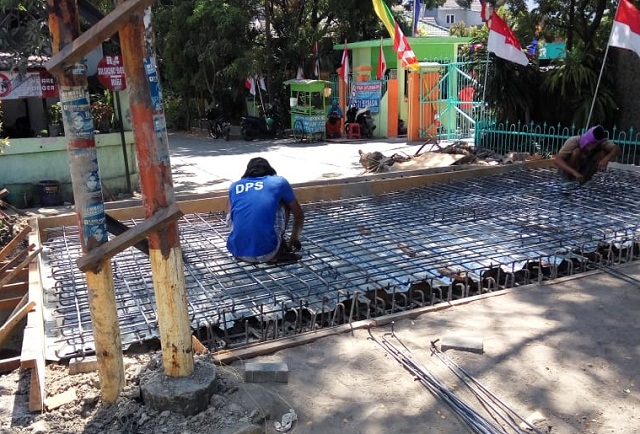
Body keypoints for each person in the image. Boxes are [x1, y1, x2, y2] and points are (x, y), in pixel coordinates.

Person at [226, 157, 304, 263]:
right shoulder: (279, 182)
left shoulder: (234, 186)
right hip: (268, 253)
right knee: (284, 202)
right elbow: (299, 215)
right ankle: (280, 248)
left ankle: (244, 243)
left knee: (236, 209)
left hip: (237, 252)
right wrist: (294, 239)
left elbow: (230, 219)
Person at [554, 125, 620, 187]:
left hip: (584, 168)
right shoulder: (574, 141)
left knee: (602, 153)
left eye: (595, 144)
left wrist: (606, 159)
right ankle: (568, 179)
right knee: (576, 152)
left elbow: (616, 149)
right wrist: (574, 172)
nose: (592, 146)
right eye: (591, 144)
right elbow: (557, 159)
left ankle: (585, 179)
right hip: (570, 170)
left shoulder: (601, 142)